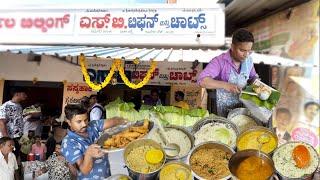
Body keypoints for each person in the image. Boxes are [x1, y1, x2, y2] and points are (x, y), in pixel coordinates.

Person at [197, 28, 258, 117]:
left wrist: (259, 86)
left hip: (243, 109)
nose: (246, 55)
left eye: (249, 51)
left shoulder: (249, 61)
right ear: (232, 47)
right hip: (223, 111)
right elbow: (202, 81)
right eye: (242, 50)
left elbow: (253, 77)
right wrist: (226, 85)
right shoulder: (219, 61)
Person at [61, 104, 126, 179]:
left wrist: (124, 121)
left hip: (106, 175)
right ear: (69, 122)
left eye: (86, 120)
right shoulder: (68, 142)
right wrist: (88, 154)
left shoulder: (92, 126)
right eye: (79, 121)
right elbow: (84, 170)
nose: (84, 124)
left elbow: (113, 121)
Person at [0, 88, 28, 158]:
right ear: (17, 94)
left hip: (17, 137)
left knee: (14, 158)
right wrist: (7, 140)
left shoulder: (19, 106)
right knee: (6, 158)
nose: (26, 96)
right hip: (9, 138)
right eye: (24, 94)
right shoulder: (6, 106)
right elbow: (1, 123)